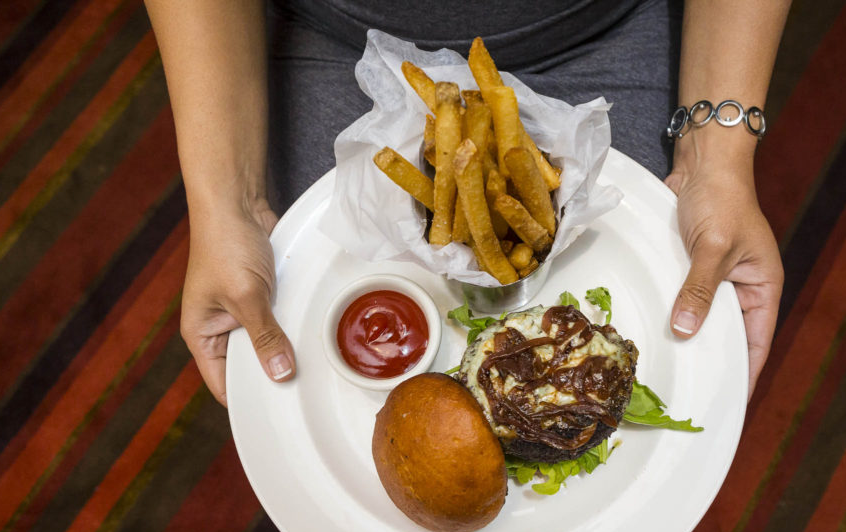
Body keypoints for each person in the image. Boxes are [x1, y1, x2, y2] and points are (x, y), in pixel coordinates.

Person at [144, 0, 788, 406]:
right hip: (339, 36)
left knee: (683, 361)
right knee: (300, 374)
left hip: (607, 25)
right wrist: (228, 199)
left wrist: (717, 159)